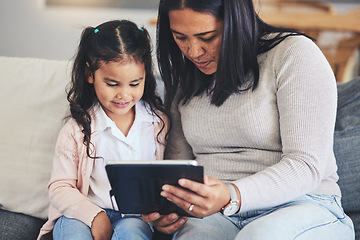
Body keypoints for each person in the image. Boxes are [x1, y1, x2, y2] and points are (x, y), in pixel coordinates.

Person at [142, 0, 355, 239]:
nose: (193, 51)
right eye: (180, 37)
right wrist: (169, 210)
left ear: (237, 23)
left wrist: (231, 194)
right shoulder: (186, 79)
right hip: (217, 213)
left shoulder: (293, 54)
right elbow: (178, 167)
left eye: (207, 37)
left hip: (303, 203)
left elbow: (306, 165)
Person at [37, 20, 168, 240]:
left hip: (134, 218)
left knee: (132, 234)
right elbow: (60, 187)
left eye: (135, 84)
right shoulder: (77, 129)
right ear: (90, 74)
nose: (124, 95)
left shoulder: (158, 123)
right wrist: (94, 215)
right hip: (81, 214)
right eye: (112, 83)